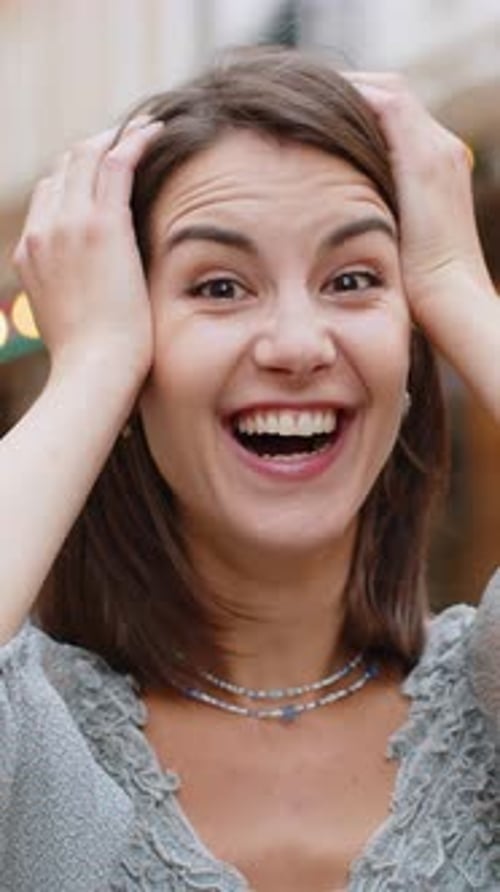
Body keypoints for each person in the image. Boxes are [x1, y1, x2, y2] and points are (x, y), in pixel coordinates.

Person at [1, 46, 499, 892]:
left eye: (352, 278)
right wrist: (90, 370)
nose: (299, 347)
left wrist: (456, 282)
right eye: (220, 288)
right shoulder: (36, 741)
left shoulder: (483, 706)